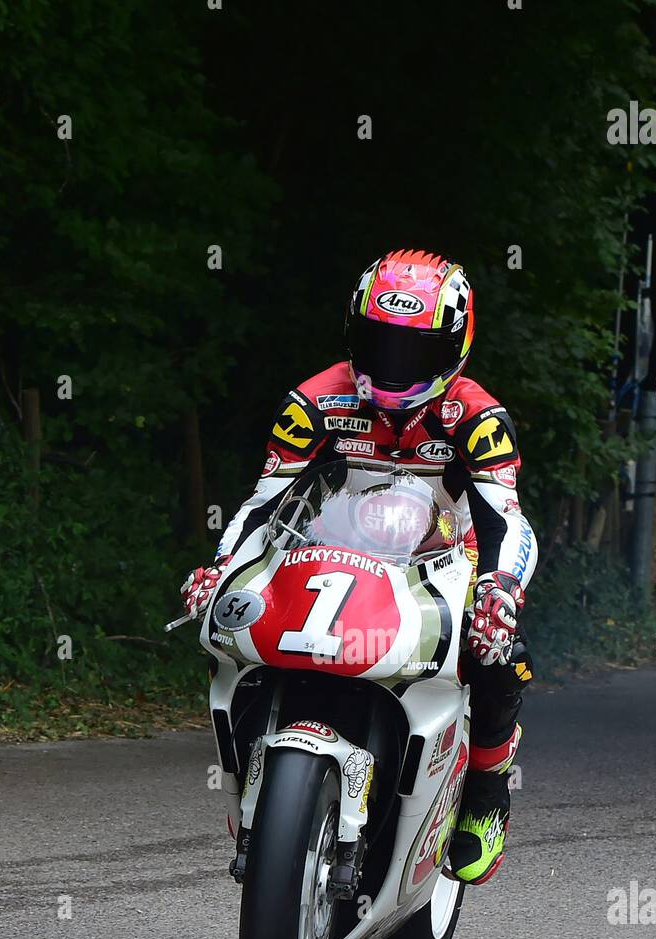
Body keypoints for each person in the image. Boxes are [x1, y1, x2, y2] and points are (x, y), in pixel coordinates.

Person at [182, 249, 537, 883]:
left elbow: (505, 519)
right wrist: (220, 567)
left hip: (444, 558)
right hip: (329, 548)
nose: (395, 368)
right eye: (380, 346)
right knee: (231, 623)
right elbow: (263, 501)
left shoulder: (480, 419)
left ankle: (487, 795)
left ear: (454, 348)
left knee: (499, 651)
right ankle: (254, 780)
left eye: (414, 353)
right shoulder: (314, 401)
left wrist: (501, 588)